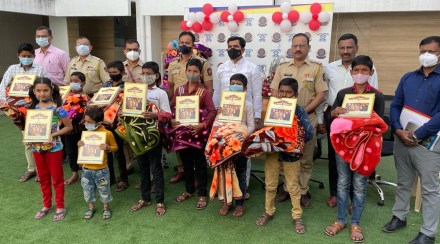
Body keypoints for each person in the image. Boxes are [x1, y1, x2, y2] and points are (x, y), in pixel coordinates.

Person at [382, 36, 440, 244]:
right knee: (404, 181)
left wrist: (419, 134)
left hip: (429, 143)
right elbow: (396, 105)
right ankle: (399, 216)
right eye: (423, 50)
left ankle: (428, 233)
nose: (426, 55)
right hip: (402, 139)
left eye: (432, 52)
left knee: (430, 189)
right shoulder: (408, 77)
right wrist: (397, 130)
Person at [324, 55, 384, 243]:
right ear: (351, 73)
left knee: (359, 185)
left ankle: (355, 223)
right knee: (342, 182)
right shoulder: (343, 94)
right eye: (356, 70)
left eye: (364, 71)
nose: (360, 74)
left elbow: (381, 124)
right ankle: (341, 220)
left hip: (364, 148)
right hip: (344, 146)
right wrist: (334, 113)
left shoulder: (377, 95)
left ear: (371, 72)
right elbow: (332, 116)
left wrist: (367, 120)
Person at [270, 33, 328, 207]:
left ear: (308, 48)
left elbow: (321, 95)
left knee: (305, 158)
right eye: (295, 45)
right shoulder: (282, 67)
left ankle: (302, 191)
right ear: (291, 47)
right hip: (284, 120)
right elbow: (274, 91)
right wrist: (285, 110)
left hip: (306, 120)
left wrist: (301, 111)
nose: (298, 48)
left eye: (302, 45)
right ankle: (287, 189)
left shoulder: (317, 68)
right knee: (285, 156)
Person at [324, 33, 379, 208]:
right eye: (342, 48)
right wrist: (331, 113)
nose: (345, 51)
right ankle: (335, 194)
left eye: (349, 47)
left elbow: (373, 95)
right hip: (337, 119)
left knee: (358, 157)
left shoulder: (370, 70)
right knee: (335, 157)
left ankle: (353, 197)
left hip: (362, 125)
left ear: (356, 47)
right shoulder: (329, 68)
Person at [255, 78, 314, 234]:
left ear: (295, 95)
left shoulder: (299, 110)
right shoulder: (270, 108)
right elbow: (263, 129)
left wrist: (292, 138)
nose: (284, 95)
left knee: (293, 187)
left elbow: (309, 133)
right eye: (282, 91)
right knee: (270, 184)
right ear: (277, 92)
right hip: (273, 154)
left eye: (288, 92)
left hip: (291, 156)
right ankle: (268, 211)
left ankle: (297, 216)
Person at [165, 58, 216, 210]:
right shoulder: (179, 90)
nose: (192, 74)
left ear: (200, 74)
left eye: (195, 71)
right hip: (182, 135)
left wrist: (203, 124)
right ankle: (189, 190)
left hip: (197, 134)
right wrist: (173, 119)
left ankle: (202, 194)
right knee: (186, 163)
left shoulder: (204, 92)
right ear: (185, 72)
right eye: (189, 71)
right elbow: (172, 108)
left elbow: (212, 111)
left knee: (199, 164)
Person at [166, 31, 213, 184]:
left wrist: (202, 112)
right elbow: (170, 87)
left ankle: (198, 176)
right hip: (180, 110)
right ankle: (183, 171)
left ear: (193, 45)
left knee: (197, 150)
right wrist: (171, 112)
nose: (184, 45)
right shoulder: (172, 64)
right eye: (181, 42)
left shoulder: (202, 62)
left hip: (198, 109)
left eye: (187, 43)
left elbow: (208, 88)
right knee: (182, 146)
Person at [209, 73, 255, 217]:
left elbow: (251, 126)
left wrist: (240, 135)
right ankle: (227, 203)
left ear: (245, 88)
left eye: (238, 84)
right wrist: (218, 134)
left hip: (239, 145)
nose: (235, 86)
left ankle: (240, 205)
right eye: (232, 83)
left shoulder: (248, 105)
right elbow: (217, 122)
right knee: (224, 173)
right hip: (223, 145)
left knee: (240, 174)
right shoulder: (224, 103)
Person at [0, 43, 47, 182]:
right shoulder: (12, 69)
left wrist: (36, 102)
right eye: (23, 56)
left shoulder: (40, 69)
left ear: (34, 56)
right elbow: (3, 86)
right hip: (18, 111)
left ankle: (41, 170)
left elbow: (45, 88)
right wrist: (7, 105)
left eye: (29, 56)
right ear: (18, 56)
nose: (26, 58)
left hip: (35, 109)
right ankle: (31, 169)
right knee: (27, 140)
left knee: (39, 138)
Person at [28, 77, 73, 221]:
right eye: (39, 90)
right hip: (37, 148)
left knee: (57, 178)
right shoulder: (32, 108)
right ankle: (46, 205)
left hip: (54, 148)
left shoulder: (57, 108)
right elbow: (30, 128)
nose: (42, 94)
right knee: (43, 178)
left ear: (51, 90)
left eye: (45, 90)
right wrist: (29, 139)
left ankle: (60, 206)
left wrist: (52, 134)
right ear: (34, 91)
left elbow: (68, 127)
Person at [130, 61, 171, 216]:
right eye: (143, 73)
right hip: (137, 135)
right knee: (142, 167)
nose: (145, 76)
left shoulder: (160, 93)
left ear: (156, 75)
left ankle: (160, 200)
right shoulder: (135, 91)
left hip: (154, 135)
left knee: (156, 168)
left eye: (149, 73)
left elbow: (168, 114)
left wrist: (156, 115)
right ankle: (145, 198)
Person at [78, 107, 118, 220]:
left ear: (98, 122)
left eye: (89, 122)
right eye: (85, 121)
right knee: (87, 189)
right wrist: (79, 145)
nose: (86, 123)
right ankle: (91, 207)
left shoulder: (107, 133)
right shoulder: (85, 133)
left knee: (104, 189)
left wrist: (108, 147)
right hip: (86, 169)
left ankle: (106, 208)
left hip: (101, 169)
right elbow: (82, 150)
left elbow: (115, 147)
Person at [214, 36, 263, 128]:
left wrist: (257, 116)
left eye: (236, 46)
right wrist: (214, 110)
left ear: (243, 50)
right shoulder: (221, 68)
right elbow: (217, 91)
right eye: (230, 47)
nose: (232, 49)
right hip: (224, 112)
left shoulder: (253, 68)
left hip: (245, 114)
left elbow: (257, 94)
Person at [102, 61, 130, 191]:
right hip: (105, 122)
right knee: (107, 151)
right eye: (110, 72)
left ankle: (123, 179)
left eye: (115, 72)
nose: (113, 75)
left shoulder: (127, 87)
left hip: (118, 122)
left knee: (119, 152)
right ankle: (111, 177)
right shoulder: (106, 85)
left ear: (122, 72)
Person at [63, 72, 88, 185]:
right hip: (68, 129)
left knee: (83, 150)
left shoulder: (86, 97)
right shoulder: (64, 96)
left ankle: (86, 174)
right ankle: (74, 174)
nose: (73, 83)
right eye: (71, 80)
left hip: (82, 129)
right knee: (70, 151)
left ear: (83, 83)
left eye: (76, 81)